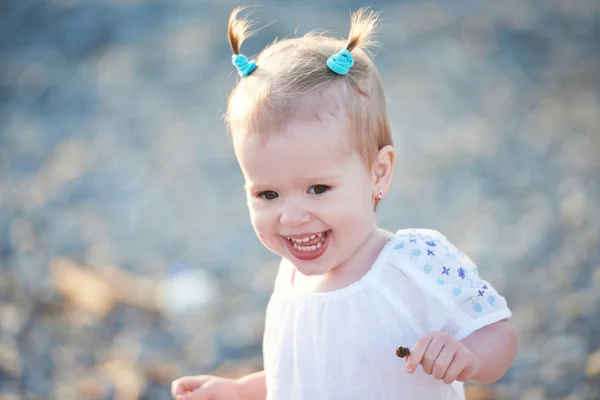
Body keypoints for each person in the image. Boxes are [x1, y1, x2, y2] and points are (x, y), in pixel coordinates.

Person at [171, 7, 518, 400]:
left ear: (378, 174)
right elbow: (306, 376)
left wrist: (468, 354)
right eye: (267, 194)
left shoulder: (414, 263)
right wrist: (238, 391)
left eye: (318, 188)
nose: (292, 215)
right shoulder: (289, 280)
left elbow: (500, 336)